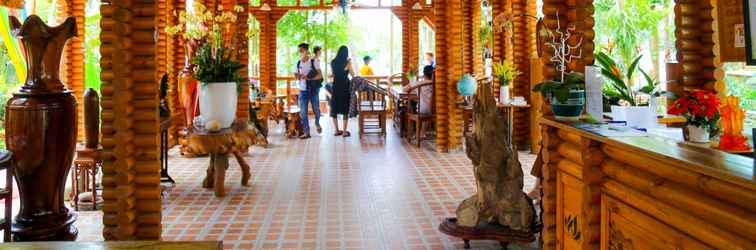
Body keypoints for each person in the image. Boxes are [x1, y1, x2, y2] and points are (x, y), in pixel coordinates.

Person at [295, 43, 323, 139]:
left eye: (301, 51)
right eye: (299, 51)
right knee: (303, 112)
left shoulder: (313, 61)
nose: (300, 53)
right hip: (302, 91)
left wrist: (309, 78)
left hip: (313, 90)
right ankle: (307, 132)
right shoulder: (298, 63)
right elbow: (296, 75)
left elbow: (320, 76)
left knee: (317, 110)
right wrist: (298, 76)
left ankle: (317, 123)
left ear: (306, 51)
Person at [330, 45, 355, 137]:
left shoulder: (333, 62)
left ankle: (336, 130)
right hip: (345, 86)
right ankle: (344, 132)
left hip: (336, 86)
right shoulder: (347, 62)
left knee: (334, 107)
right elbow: (353, 74)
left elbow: (332, 74)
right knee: (345, 108)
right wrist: (349, 64)